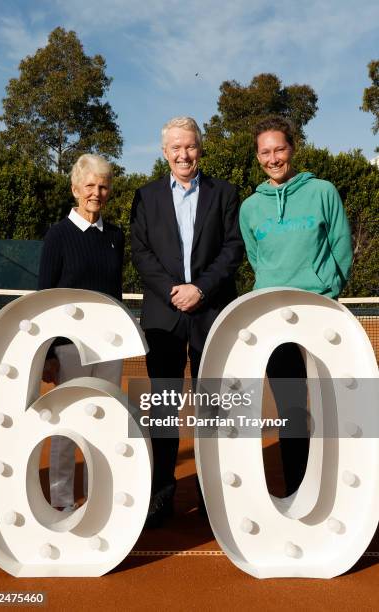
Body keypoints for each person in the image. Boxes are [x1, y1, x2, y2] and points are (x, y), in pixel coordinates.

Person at [131, 116, 244, 526]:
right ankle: (161, 496)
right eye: (176, 148)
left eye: (190, 146)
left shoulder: (225, 193)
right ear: (165, 153)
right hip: (164, 316)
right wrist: (175, 290)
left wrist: (201, 289)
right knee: (163, 409)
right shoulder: (144, 196)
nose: (184, 154)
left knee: (214, 410)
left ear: (200, 148)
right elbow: (141, 252)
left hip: (211, 313)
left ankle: (214, 498)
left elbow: (233, 249)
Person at [239, 115, 352, 496]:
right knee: (292, 410)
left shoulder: (322, 191)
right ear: (258, 157)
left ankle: (337, 487)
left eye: (279, 149)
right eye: (265, 152)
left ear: (293, 148)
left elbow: (341, 248)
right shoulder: (250, 208)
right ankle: (299, 488)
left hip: (320, 315)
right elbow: (257, 259)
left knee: (330, 404)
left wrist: (327, 289)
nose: (273, 158)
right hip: (273, 318)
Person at [38, 153, 124, 511]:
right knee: (68, 424)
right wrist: (46, 354)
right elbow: (45, 298)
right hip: (69, 349)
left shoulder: (116, 237)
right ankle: (61, 499)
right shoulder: (57, 236)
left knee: (103, 423)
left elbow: (115, 295)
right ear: (75, 189)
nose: (96, 192)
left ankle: (97, 498)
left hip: (108, 348)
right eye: (89, 185)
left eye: (103, 186)